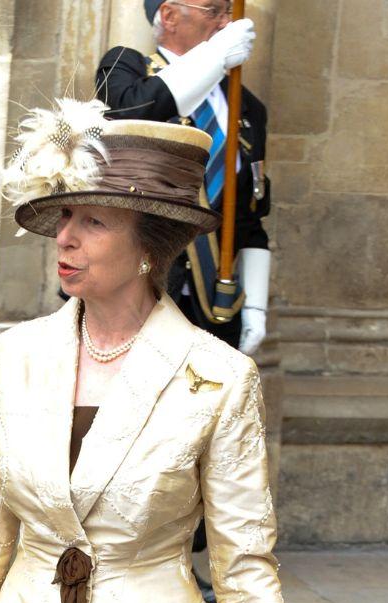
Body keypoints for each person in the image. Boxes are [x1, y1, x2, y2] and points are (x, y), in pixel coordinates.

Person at [0, 99, 287, 603]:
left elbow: (243, 567)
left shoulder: (220, 378)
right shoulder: (17, 356)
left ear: (148, 247)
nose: (65, 237)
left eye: (94, 221)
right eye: (66, 214)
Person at [95, 0, 271, 357]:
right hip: (131, 296)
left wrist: (256, 304)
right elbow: (129, 113)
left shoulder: (246, 106)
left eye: (229, 12)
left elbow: (252, 215)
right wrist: (215, 57)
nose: (226, 22)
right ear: (170, 15)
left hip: (213, 305)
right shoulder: (128, 68)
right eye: (214, 10)